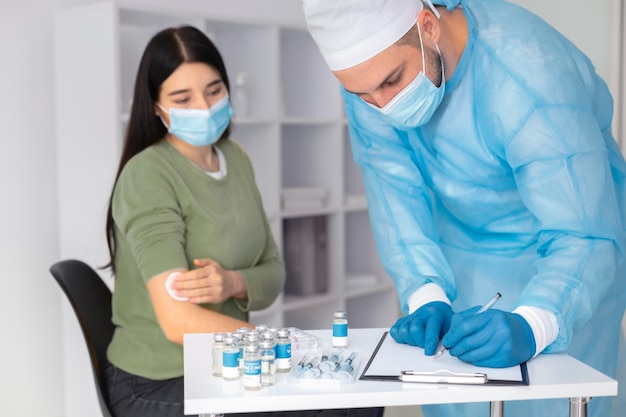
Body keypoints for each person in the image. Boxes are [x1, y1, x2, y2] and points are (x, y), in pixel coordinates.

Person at [302, 0, 626, 416]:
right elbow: (392, 193)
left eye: (392, 82)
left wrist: (538, 322)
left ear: (428, 27)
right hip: (464, 250)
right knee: (459, 391)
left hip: (570, 264)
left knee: (555, 396)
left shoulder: (529, 76)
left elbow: (582, 230)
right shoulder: (369, 79)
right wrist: (425, 291)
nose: (383, 106)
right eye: (362, 95)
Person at [104, 25, 381, 417]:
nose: (203, 107)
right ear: (155, 107)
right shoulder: (148, 176)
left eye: (214, 90)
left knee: (360, 399)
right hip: (159, 381)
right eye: (182, 98)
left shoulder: (234, 158)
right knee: (336, 408)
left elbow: (273, 275)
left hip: (230, 367)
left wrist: (233, 282)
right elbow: (178, 322)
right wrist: (286, 344)